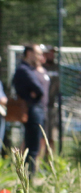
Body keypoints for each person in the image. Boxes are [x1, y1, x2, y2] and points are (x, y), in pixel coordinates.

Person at [11, 44, 50, 175]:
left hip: (38, 109)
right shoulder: (23, 70)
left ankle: (30, 174)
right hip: (32, 110)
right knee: (32, 146)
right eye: (38, 53)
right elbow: (39, 89)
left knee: (35, 144)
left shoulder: (32, 70)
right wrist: (32, 94)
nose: (40, 57)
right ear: (29, 53)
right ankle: (29, 177)